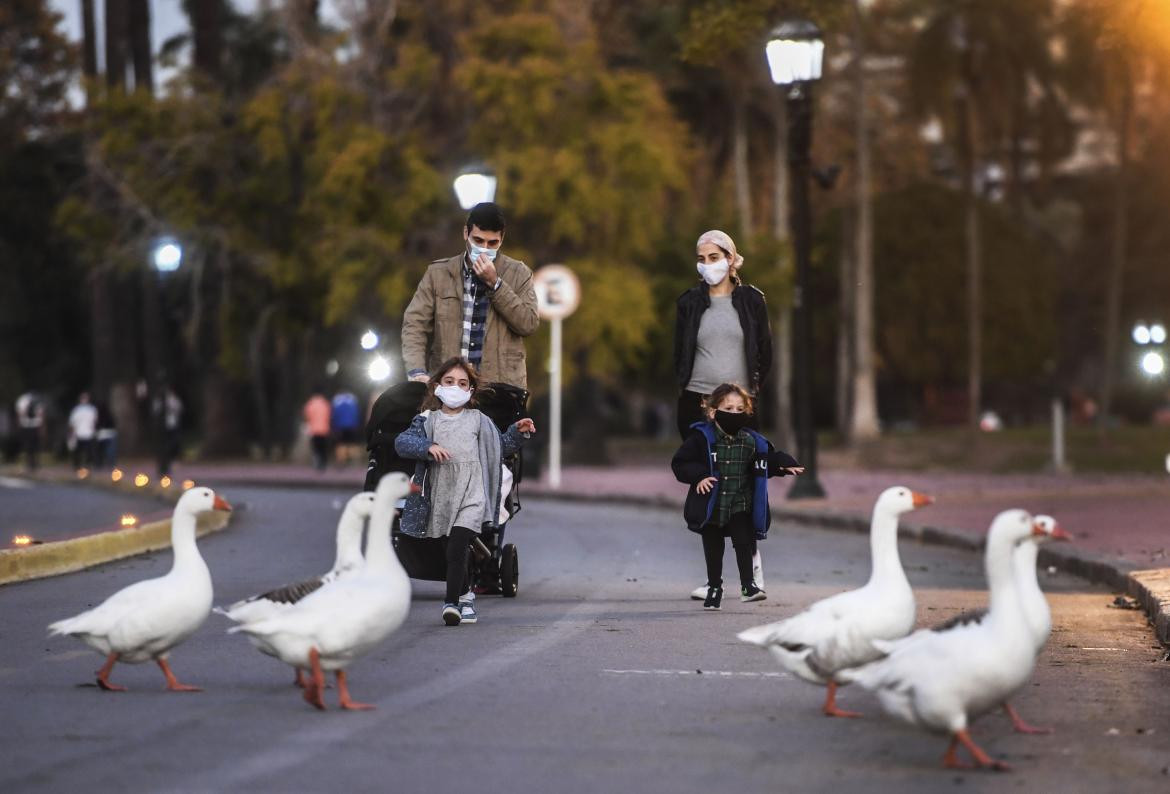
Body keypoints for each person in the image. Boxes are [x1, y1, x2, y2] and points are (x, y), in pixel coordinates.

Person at [394, 357, 534, 626]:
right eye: (449, 382)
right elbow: (402, 442)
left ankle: (451, 603)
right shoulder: (427, 420)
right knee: (449, 549)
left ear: (470, 391)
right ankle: (465, 595)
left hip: (472, 492)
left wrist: (518, 432)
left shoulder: (478, 420)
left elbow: (500, 447)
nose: (455, 388)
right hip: (440, 494)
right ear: (436, 386)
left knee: (459, 543)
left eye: (462, 383)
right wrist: (426, 447)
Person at [674, 229, 774, 599]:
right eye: (701, 258)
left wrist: (750, 395)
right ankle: (713, 578)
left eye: (714, 257)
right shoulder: (688, 303)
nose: (706, 265)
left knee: (744, 488)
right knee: (710, 487)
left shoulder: (751, 301)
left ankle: (753, 570)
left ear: (732, 259)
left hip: (740, 407)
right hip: (699, 404)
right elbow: (679, 353)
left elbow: (764, 350)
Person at [671, 383, 803, 610]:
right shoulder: (701, 439)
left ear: (747, 412)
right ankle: (714, 587)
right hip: (712, 505)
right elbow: (681, 463)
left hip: (740, 501)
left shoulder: (751, 441)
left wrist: (782, 465)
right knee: (713, 547)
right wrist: (699, 476)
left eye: (739, 409)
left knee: (744, 540)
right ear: (713, 412)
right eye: (728, 408)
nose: (734, 413)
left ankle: (748, 585)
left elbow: (764, 462)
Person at [401, 202, 538, 391]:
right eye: (478, 240)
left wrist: (495, 284)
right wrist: (416, 371)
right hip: (448, 387)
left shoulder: (519, 273)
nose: (484, 248)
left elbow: (528, 323)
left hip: (499, 389)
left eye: (492, 243)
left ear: (502, 239)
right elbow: (414, 323)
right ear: (466, 233)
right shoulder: (438, 273)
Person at [67, 392, 98, 470]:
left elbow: (94, 422)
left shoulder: (91, 410)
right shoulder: (77, 410)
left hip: (88, 433)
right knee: (78, 452)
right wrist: (72, 433)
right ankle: (77, 466)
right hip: (79, 434)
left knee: (88, 452)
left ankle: (87, 466)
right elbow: (72, 423)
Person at [14, 391, 44, 471]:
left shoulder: (22, 400)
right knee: (36, 446)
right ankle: (36, 464)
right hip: (35, 425)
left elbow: (20, 413)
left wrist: (19, 425)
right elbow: (41, 414)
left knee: (28, 446)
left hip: (26, 425)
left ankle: (30, 464)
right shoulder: (37, 399)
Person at [303, 389, 331, 471]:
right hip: (324, 429)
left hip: (314, 430)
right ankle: (324, 463)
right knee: (323, 448)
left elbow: (307, 416)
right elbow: (329, 415)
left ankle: (317, 464)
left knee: (316, 448)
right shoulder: (325, 403)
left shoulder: (310, 404)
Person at [330, 390, 361, 466]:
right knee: (352, 443)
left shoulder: (337, 402)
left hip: (340, 426)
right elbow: (356, 414)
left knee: (341, 443)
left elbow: (334, 415)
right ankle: (354, 460)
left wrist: (334, 426)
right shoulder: (353, 401)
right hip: (352, 425)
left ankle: (341, 461)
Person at [94, 399, 118, 469]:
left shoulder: (98, 415)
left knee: (100, 451)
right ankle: (111, 464)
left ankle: (99, 465)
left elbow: (97, 424)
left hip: (101, 434)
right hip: (111, 434)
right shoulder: (109, 414)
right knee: (110, 451)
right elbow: (113, 424)